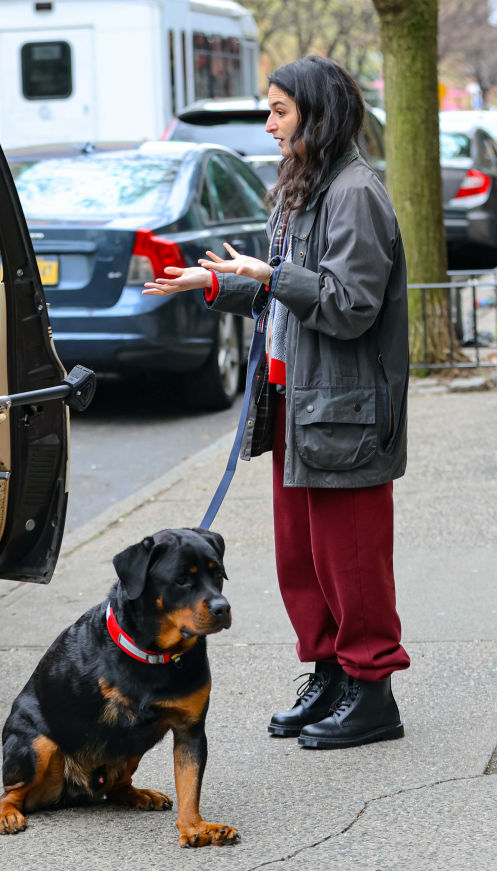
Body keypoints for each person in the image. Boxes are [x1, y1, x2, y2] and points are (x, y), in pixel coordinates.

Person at [144, 55, 410, 750]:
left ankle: (371, 690)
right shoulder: (301, 188)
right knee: (303, 557)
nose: (268, 124)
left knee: (350, 560)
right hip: (297, 401)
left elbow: (348, 307)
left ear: (317, 116)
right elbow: (277, 294)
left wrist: (275, 273)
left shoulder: (355, 193)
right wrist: (209, 283)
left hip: (345, 407)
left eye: (280, 112)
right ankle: (329, 673)